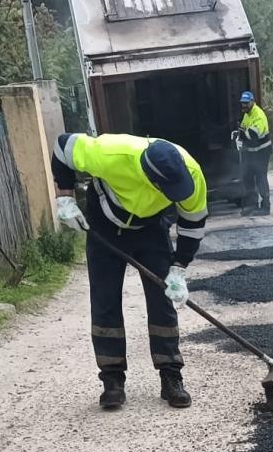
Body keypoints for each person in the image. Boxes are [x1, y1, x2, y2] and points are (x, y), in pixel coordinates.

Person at [51, 132, 208, 411]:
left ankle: (171, 375)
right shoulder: (112, 154)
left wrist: (179, 268)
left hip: (150, 228)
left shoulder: (191, 174)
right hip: (105, 225)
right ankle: (112, 380)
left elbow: (192, 223)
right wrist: (65, 197)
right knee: (105, 300)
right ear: (151, 178)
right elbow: (63, 146)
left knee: (163, 300)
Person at [236, 91, 271, 215]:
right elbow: (243, 129)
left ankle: (266, 206)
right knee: (248, 177)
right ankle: (252, 204)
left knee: (261, 178)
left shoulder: (258, 115)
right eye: (242, 103)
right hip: (251, 152)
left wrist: (242, 134)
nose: (243, 106)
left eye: (246, 103)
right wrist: (240, 136)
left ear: (252, 102)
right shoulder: (247, 114)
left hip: (262, 151)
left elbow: (253, 135)